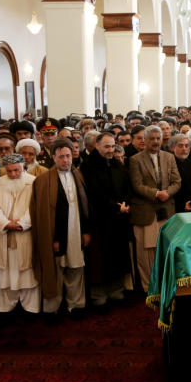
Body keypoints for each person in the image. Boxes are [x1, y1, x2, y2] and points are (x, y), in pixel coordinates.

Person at [31, 138, 91, 320]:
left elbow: (85, 207)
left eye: (68, 156)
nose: (66, 160)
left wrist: (86, 231)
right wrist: (54, 238)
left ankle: (77, 305)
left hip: (77, 231)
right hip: (56, 235)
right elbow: (42, 215)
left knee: (76, 268)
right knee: (55, 271)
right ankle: (52, 308)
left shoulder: (78, 175)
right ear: (53, 157)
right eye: (61, 157)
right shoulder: (43, 181)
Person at [80, 131, 132, 308]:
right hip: (100, 220)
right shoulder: (88, 166)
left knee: (117, 256)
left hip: (119, 219)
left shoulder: (116, 164)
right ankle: (99, 294)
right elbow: (95, 193)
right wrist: (116, 207)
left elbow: (126, 185)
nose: (110, 150)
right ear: (97, 146)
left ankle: (116, 290)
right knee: (99, 260)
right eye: (106, 146)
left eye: (112, 146)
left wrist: (125, 203)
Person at [0, 153, 39, 318]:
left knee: (27, 272)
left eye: (16, 170)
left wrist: (22, 224)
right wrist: (5, 223)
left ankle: (30, 309)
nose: (13, 174)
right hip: (4, 235)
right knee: (6, 273)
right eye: (9, 171)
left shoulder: (33, 182)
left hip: (25, 235)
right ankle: (7, 309)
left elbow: (36, 207)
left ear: (23, 166)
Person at [129, 125, 181, 292]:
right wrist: (156, 193)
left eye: (158, 138)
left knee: (166, 249)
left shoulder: (169, 157)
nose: (155, 142)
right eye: (151, 138)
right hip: (146, 210)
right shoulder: (135, 159)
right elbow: (137, 185)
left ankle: (165, 285)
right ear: (145, 139)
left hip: (166, 209)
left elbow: (177, 181)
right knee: (147, 253)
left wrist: (168, 192)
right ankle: (149, 288)